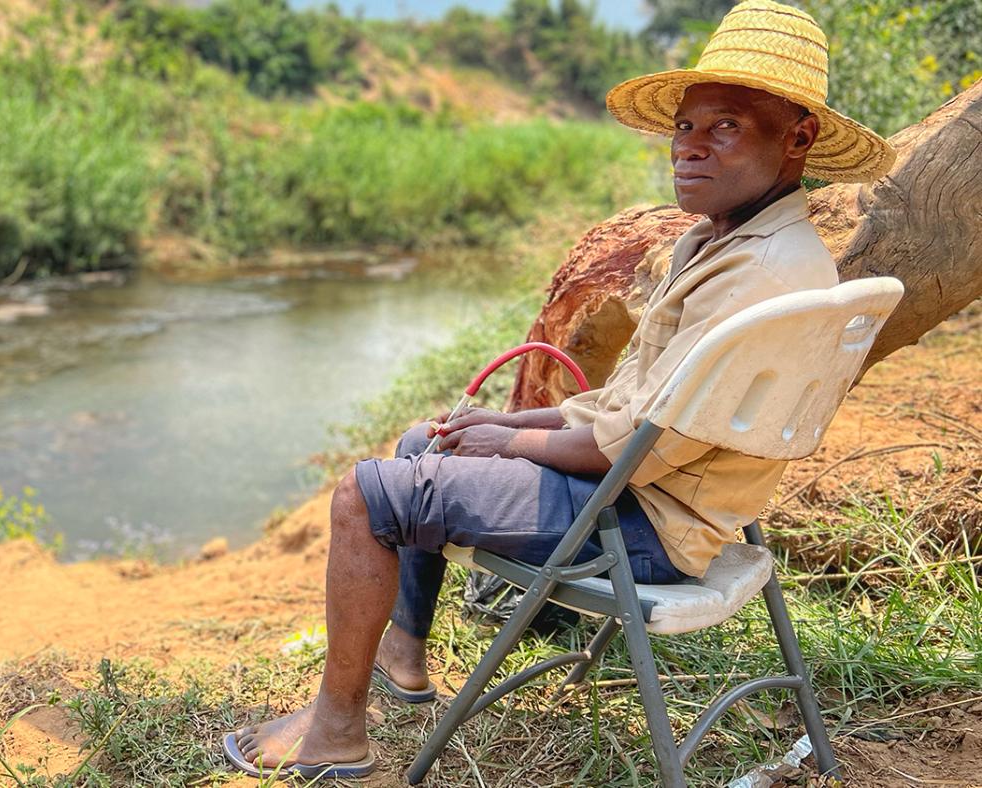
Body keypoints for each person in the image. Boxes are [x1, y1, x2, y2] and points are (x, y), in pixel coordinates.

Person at [223, 0, 896, 778]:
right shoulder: (733, 244)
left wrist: (506, 437)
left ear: (799, 138)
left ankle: (336, 732)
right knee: (420, 444)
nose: (690, 147)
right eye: (685, 126)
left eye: (726, 127)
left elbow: (626, 450)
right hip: (657, 494)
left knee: (365, 497)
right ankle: (401, 661)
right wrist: (508, 423)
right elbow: (636, 410)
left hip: (642, 524)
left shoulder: (757, 275)